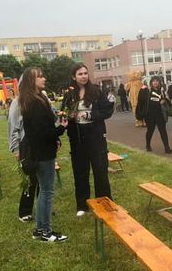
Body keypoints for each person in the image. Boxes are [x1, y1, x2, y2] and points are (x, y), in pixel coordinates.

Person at [20, 67, 68, 242]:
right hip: (42, 154)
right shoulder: (36, 103)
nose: (44, 79)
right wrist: (61, 128)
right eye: (39, 77)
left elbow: (40, 130)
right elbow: (43, 133)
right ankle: (46, 232)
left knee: (43, 191)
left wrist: (55, 136)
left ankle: (40, 230)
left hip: (39, 152)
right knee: (47, 191)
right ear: (31, 81)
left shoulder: (32, 100)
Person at [62, 63, 114, 216]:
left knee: (100, 171)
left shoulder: (96, 91)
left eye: (85, 73)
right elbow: (63, 112)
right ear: (74, 77)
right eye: (80, 74)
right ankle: (82, 205)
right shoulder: (69, 94)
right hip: (77, 139)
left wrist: (91, 115)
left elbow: (107, 110)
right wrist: (68, 116)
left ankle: (104, 202)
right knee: (80, 172)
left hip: (96, 136)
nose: (84, 76)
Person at [8, 89, 39, 223]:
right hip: (26, 146)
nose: (43, 79)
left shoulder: (41, 98)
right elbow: (13, 126)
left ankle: (43, 207)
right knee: (30, 179)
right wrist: (16, 148)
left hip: (42, 145)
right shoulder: (18, 102)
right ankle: (25, 211)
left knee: (43, 178)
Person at [136, 76, 172, 154]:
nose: (155, 82)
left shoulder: (161, 91)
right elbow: (140, 100)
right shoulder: (147, 91)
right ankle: (148, 145)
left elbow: (166, 100)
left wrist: (164, 101)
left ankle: (167, 147)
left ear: (159, 83)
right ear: (151, 83)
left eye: (157, 81)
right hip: (150, 115)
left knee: (163, 131)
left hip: (160, 115)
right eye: (154, 81)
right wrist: (142, 90)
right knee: (150, 131)